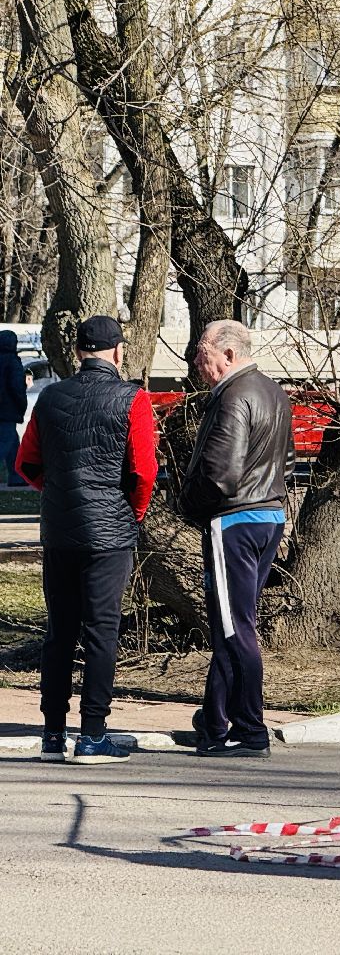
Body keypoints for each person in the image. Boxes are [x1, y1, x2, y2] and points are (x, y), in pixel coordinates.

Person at [15, 316, 157, 764]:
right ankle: (93, 733)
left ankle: (52, 734)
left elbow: (26, 463)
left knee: (60, 631)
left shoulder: (50, 397)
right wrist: (132, 513)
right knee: (101, 631)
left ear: (78, 352)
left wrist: (61, 494)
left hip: (60, 528)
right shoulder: (132, 398)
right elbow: (143, 471)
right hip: (109, 530)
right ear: (118, 352)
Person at [180, 320, 293, 759]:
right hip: (268, 517)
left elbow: (220, 475)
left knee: (234, 628)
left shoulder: (232, 395)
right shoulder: (273, 391)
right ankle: (214, 721)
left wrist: (188, 505)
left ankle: (250, 730)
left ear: (227, 355)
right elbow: (285, 462)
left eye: (202, 352)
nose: (196, 361)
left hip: (234, 521)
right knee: (233, 624)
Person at [0, 330, 26, 486]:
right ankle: (16, 477)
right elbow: (17, 387)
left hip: (5, 410)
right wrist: (21, 404)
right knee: (5, 442)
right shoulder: (12, 361)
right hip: (7, 409)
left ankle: (17, 477)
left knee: (12, 445)